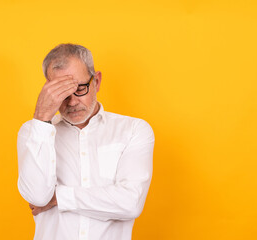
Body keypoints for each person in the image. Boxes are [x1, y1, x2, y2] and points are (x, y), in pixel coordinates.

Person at [17, 43, 155, 240]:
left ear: (96, 81)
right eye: (62, 93)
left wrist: (58, 198)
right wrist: (41, 117)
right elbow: (38, 197)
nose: (72, 102)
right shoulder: (32, 133)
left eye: (80, 88)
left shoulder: (133, 130)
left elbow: (131, 202)